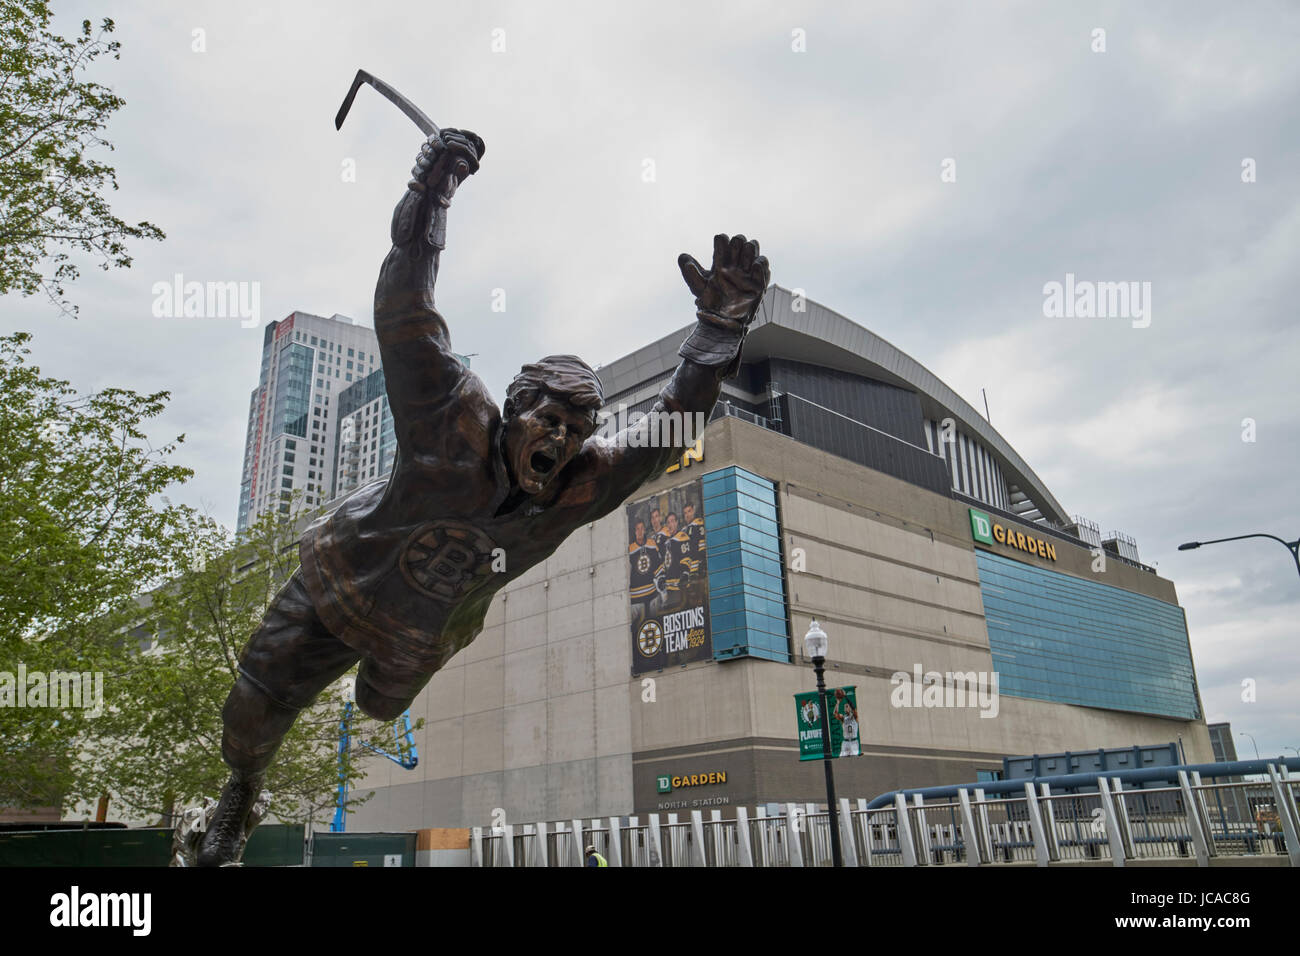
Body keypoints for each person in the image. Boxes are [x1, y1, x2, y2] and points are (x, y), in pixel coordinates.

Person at [194, 128, 770, 866]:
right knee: (249, 711)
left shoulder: (581, 487)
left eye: (578, 428)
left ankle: (352, 700)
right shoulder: (452, 420)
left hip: (422, 632)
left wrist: (718, 332)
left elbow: (667, 425)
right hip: (343, 575)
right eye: (550, 420)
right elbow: (404, 306)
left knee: (377, 706)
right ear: (514, 409)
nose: (561, 440)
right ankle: (240, 793)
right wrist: (430, 192)